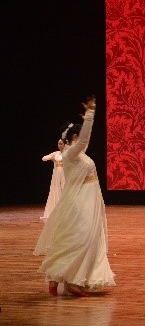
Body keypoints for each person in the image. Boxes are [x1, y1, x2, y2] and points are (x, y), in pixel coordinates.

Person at [34, 96, 115, 297]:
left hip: (90, 199)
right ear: (74, 137)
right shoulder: (70, 153)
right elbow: (85, 139)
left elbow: (85, 142)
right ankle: (70, 281)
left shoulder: (78, 154)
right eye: (79, 136)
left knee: (82, 237)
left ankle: (60, 279)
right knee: (82, 238)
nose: (83, 141)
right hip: (82, 201)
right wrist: (90, 115)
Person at [40, 138, 66, 220]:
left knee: (64, 189)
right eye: (58, 143)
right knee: (56, 189)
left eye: (61, 144)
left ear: (65, 144)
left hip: (65, 173)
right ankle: (55, 211)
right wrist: (51, 158)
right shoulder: (56, 153)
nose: (59, 145)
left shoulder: (68, 153)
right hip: (57, 173)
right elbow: (43, 158)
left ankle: (65, 211)